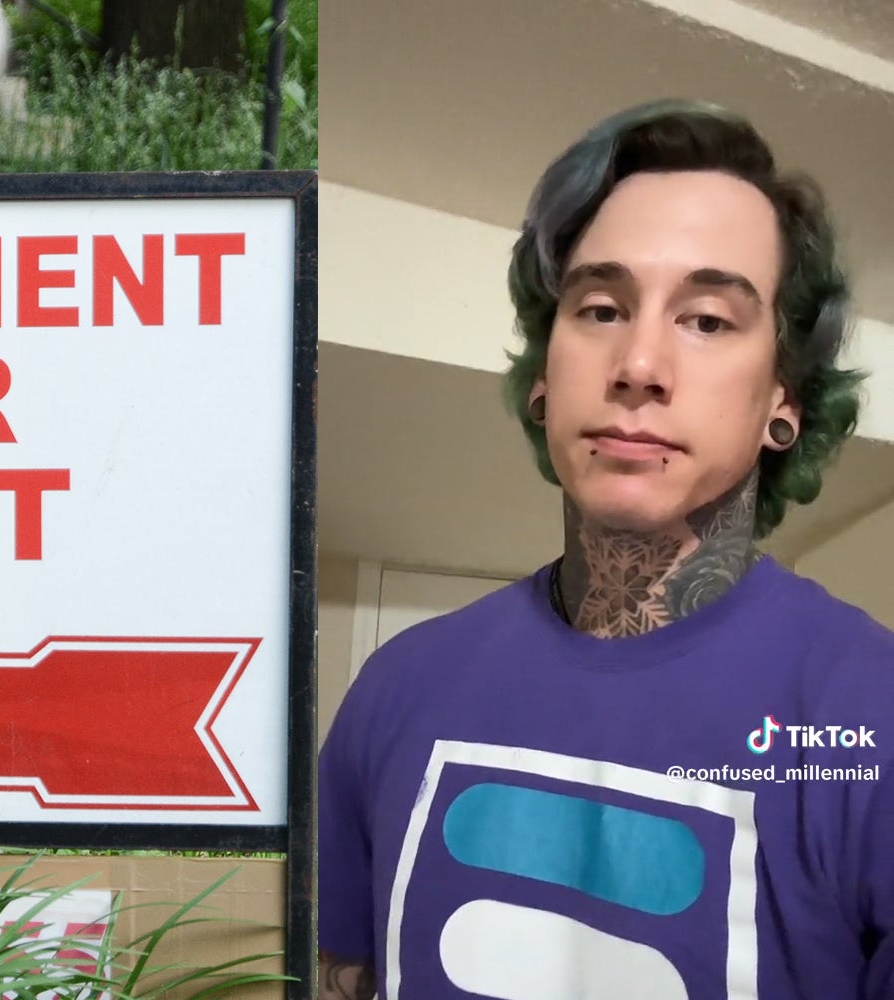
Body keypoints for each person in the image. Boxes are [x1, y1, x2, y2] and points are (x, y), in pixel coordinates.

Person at [317, 100, 894, 999]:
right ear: (546, 378)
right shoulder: (398, 687)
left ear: (785, 397)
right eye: (598, 307)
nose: (638, 364)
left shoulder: (870, 715)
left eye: (707, 319)